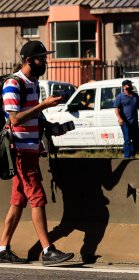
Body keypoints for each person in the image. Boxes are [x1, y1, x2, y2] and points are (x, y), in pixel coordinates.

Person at [0, 40, 74, 265]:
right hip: (20, 151)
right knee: (37, 198)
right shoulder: (14, 83)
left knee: (18, 201)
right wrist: (44, 106)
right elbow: (13, 119)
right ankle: (47, 250)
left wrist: (51, 125)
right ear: (29, 60)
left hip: (31, 149)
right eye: (41, 58)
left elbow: (33, 116)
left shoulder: (33, 83)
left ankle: (2, 248)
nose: (45, 62)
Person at [114, 79, 139, 158]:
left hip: (134, 122)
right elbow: (116, 109)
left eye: (131, 84)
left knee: (136, 139)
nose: (131, 86)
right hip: (125, 123)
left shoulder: (135, 95)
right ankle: (127, 157)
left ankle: (133, 155)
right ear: (124, 87)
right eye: (129, 85)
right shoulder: (120, 97)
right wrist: (120, 118)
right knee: (127, 139)